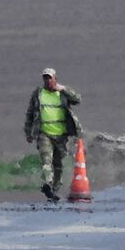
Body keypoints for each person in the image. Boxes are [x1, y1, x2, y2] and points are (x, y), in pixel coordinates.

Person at [24, 68, 82, 201]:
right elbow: (30, 113)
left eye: (50, 78)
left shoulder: (62, 93)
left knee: (59, 163)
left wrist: (63, 89)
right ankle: (48, 184)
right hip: (44, 133)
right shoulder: (38, 94)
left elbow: (78, 99)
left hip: (61, 134)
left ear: (55, 78)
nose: (48, 80)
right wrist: (28, 132)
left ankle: (55, 189)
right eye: (45, 78)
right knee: (46, 160)